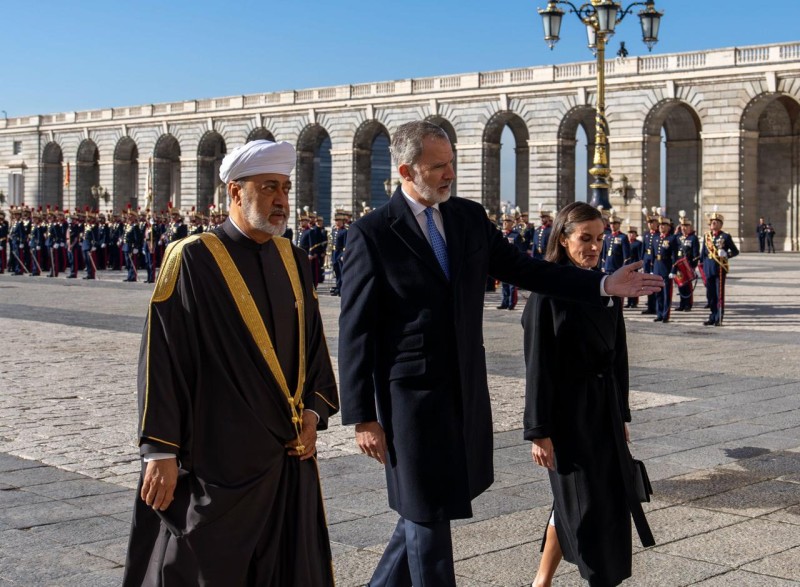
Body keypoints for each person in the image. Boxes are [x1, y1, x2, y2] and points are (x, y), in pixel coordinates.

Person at [338, 120, 662, 587]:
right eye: (438, 167)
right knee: (427, 517)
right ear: (407, 171)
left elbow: (527, 270)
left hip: (464, 391)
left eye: (452, 163)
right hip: (407, 398)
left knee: (423, 508)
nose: (450, 174)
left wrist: (603, 284)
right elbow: (355, 330)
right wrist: (362, 417)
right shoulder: (373, 233)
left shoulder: (468, 218)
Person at [123, 140, 339, 587]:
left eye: (284, 187)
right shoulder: (192, 258)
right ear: (235, 193)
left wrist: (314, 415)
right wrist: (160, 451)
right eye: (268, 187)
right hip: (216, 461)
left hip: (286, 456)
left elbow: (313, 348)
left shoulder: (296, 260)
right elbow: (163, 356)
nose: (281, 199)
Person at [524, 202, 654, 587]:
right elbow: (537, 365)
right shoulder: (547, 293)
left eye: (600, 238)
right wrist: (538, 431)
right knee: (583, 505)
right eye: (585, 238)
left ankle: (541, 580)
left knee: (596, 499)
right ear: (563, 240)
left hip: (602, 412)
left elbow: (619, 358)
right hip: (566, 417)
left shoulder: (608, 288)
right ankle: (599, 578)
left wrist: (622, 416)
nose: (594, 246)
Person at [700, 211, 739, 326]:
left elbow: (735, 251)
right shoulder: (707, 236)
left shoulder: (725, 236)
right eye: (712, 222)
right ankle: (712, 316)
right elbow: (703, 254)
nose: (713, 224)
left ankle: (719, 317)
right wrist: (701, 267)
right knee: (710, 295)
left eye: (716, 222)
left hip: (719, 269)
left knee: (719, 294)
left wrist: (726, 254)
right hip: (708, 268)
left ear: (720, 224)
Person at [675, 215, 700, 312]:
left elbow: (696, 254)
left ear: (690, 227)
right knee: (680, 285)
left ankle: (688, 304)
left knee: (687, 286)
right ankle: (682, 304)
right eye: (682, 226)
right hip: (679, 265)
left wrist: (693, 266)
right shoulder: (678, 237)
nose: (683, 228)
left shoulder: (693, 238)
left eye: (686, 226)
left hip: (687, 265)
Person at [624, 227, 642, 308]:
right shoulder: (626, 243)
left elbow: (640, 255)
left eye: (632, 233)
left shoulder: (638, 243)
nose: (630, 235)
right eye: (629, 233)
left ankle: (634, 302)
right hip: (627, 266)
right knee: (627, 285)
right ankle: (629, 301)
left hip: (634, 266)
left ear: (635, 234)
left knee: (634, 285)